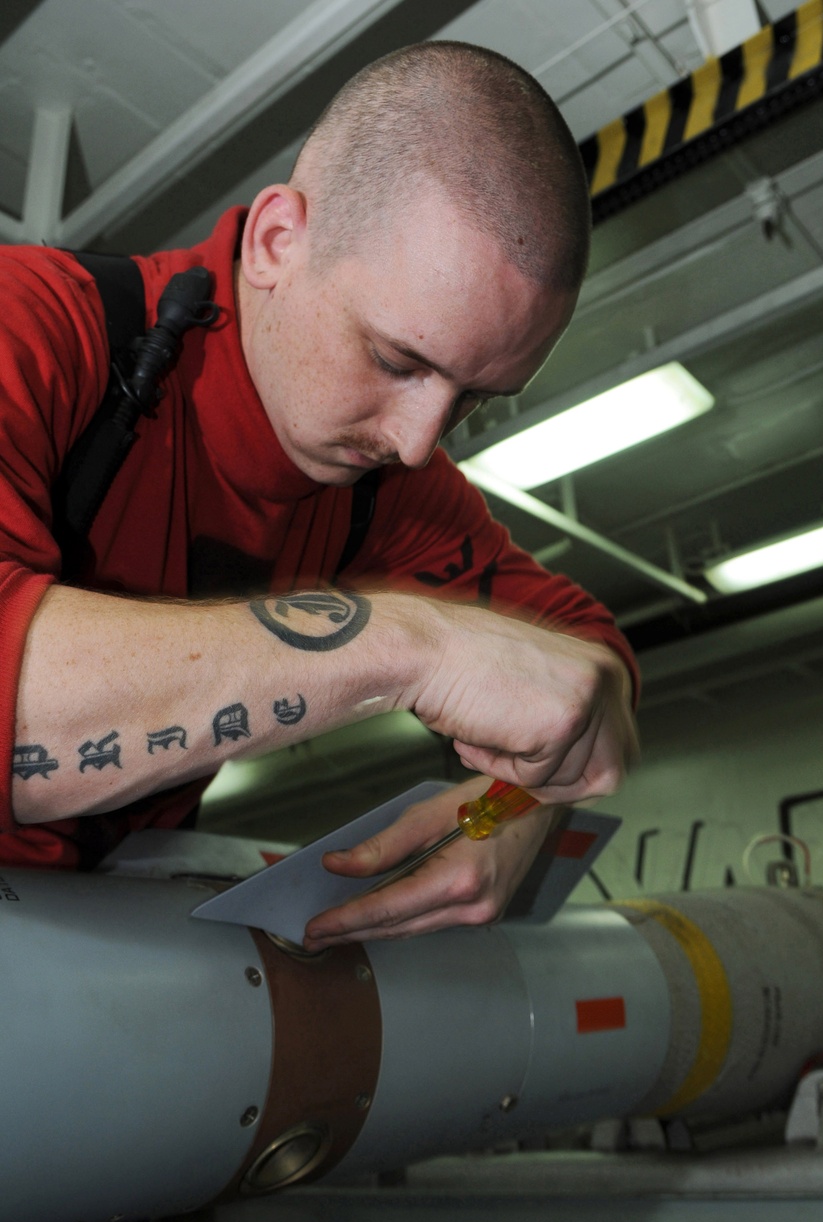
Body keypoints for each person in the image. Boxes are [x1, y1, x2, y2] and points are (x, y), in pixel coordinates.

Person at [0, 40, 638, 947]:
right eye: (395, 359)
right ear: (275, 242)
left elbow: (589, 662)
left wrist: (506, 813)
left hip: (92, 944)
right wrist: (412, 645)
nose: (419, 442)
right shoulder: (30, 329)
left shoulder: (391, 488)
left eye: (473, 399)